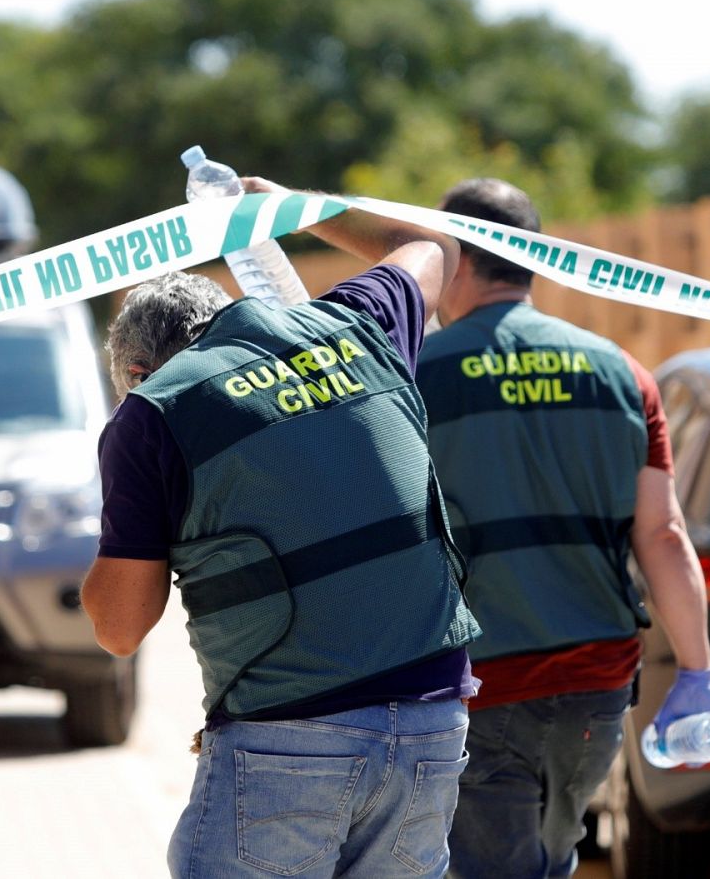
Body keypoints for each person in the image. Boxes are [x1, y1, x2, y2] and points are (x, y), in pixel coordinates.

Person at [82, 178, 482, 879]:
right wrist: (288, 203)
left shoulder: (153, 413)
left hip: (289, 734)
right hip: (434, 720)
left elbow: (118, 626)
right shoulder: (359, 326)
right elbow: (432, 245)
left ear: (141, 372)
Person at [412, 178, 710, 879]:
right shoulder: (624, 375)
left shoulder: (417, 376)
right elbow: (664, 535)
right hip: (597, 681)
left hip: (480, 677)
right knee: (553, 857)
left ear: (454, 257)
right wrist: (697, 673)